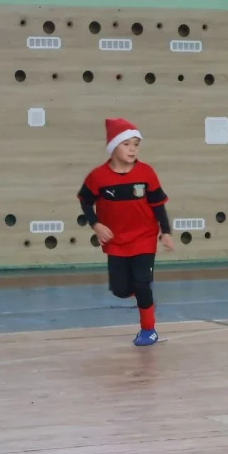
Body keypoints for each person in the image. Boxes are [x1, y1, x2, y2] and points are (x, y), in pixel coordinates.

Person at [77, 118, 175, 347]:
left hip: (144, 237)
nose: (132, 149)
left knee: (142, 284)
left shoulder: (146, 173)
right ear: (113, 147)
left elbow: (158, 205)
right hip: (116, 241)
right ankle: (140, 289)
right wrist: (96, 224)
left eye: (136, 145)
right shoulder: (97, 177)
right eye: (126, 144)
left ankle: (148, 330)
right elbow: (85, 201)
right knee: (120, 290)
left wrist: (166, 232)